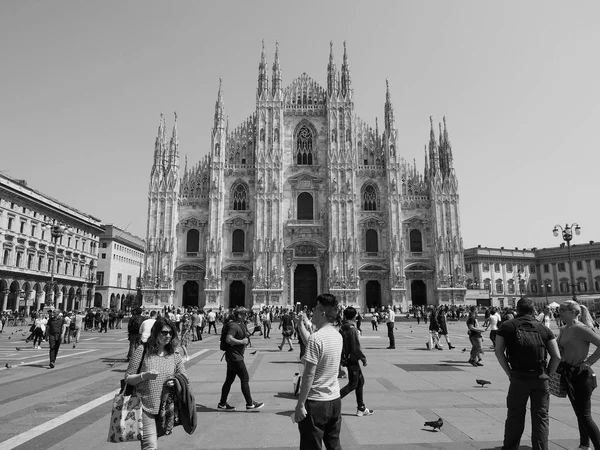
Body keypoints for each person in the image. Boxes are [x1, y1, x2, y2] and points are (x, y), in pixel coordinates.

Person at [495, 297, 560, 450]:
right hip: (540, 377)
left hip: (518, 377)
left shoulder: (507, 326)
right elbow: (557, 357)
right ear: (533, 311)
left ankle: (511, 447)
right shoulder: (543, 328)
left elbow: (498, 351)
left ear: (517, 309)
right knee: (541, 416)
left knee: (515, 415)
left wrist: (509, 372)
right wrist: (548, 374)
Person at [126, 317, 188, 450]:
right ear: (155, 333)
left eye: (171, 333)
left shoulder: (174, 354)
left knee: (151, 440)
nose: (168, 336)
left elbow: (184, 376)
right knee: (150, 445)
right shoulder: (142, 351)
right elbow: (128, 378)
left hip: (165, 408)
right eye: (164, 332)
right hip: (144, 405)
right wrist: (144, 376)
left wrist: (175, 380)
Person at [294, 293, 343, 449]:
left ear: (322, 313)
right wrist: (301, 326)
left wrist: (300, 404)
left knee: (311, 445)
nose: (311, 312)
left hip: (316, 403)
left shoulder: (317, 338)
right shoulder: (337, 335)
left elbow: (309, 374)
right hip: (334, 400)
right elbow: (316, 346)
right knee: (334, 444)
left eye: (314, 310)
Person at [557, 300, 600, 450]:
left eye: (563, 309)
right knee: (579, 413)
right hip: (569, 373)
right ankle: (584, 445)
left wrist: (589, 362)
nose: (560, 312)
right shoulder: (564, 328)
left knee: (585, 415)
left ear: (574, 312)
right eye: (560, 309)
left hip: (581, 374)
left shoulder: (582, 329)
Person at [218, 307, 264, 411]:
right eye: (244, 314)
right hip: (235, 357)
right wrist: (241, 342)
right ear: (239, 315)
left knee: (229, 380)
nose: (246, 316)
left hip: (232, 356)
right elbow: (228, 338)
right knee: (245, 378)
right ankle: (250, 403)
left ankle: (222, 403)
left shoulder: (239, 324)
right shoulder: (234, 325)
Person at [339, 306, 373, 417]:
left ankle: (361, 407)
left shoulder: (342, 328)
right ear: (354, 316)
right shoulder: (352, 329)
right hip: (352, 359)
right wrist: (363, 358)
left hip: (347, 357)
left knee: (360, 382)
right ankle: (331, 401)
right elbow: (356, 347)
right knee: (353, 384)